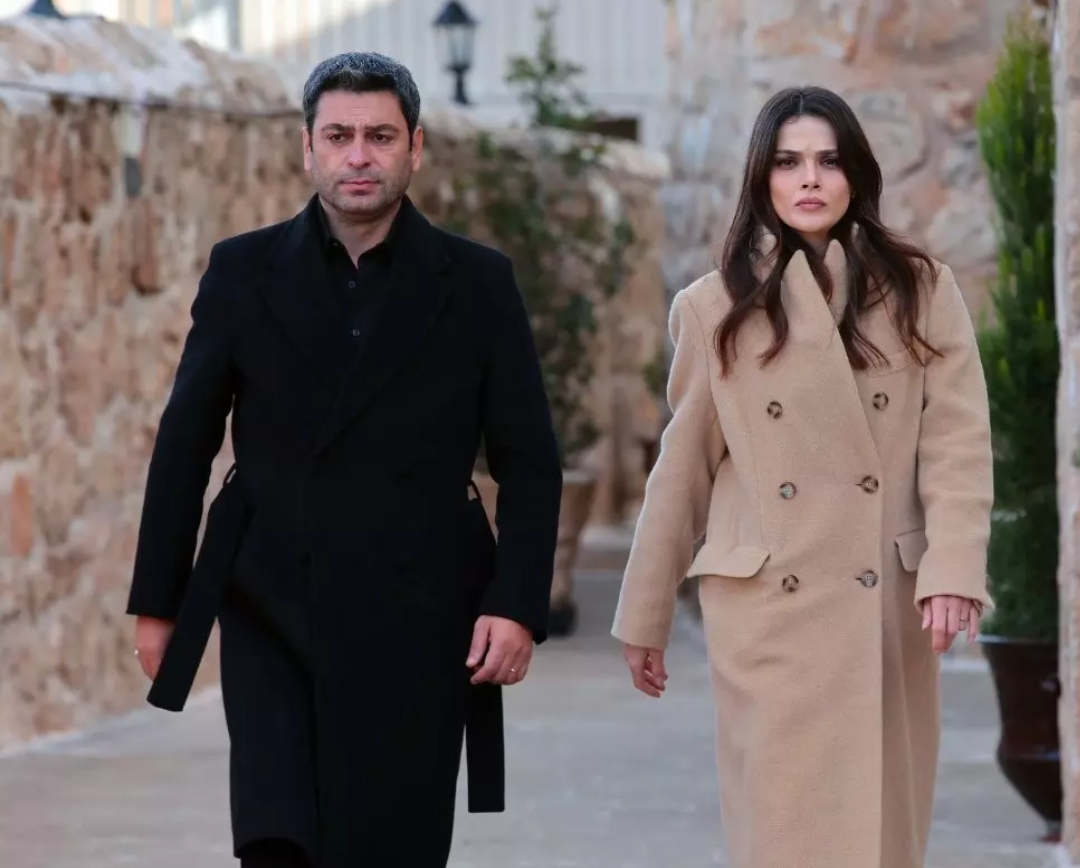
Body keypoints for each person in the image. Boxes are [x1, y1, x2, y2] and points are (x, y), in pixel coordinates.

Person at [125, 52, 563, 868]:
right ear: (307, 149)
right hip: (269, 598)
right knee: (276, 835)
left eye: (379, 136)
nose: (358, 155)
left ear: (415, 148)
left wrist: (515, 605)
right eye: (338, 136)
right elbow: (185, 441)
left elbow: (529, 459)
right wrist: (160, 601)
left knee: (389, 842)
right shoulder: (241, 270)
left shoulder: (477, 283)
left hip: (423, 609)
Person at [612, 85, 995, 868]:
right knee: (784, 832)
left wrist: (952, 571)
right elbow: (681, 471)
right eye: (788, 162)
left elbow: (956, 442)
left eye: (828, 161)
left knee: (879, 830)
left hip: (880, 605)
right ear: (762, 178)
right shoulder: (712, 308)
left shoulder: (919, 290)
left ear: (856, 174)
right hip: (770, 610)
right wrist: (644, 613)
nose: (809, 179)